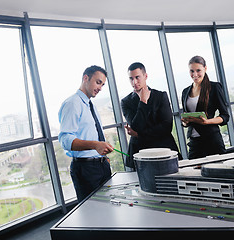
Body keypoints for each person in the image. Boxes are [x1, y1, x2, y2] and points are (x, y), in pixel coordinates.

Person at [58, 65, 113, 202]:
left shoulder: (90, 105)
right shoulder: (72, 104)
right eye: (98, 82)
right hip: (86, 169)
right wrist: (95, 145)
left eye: (102, 84)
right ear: (85, 78)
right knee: (93, 212)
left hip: (101, 165)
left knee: (109, 209)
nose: (100, 87)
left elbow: (93, 134)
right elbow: (65, 140)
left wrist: (103, 157)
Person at [121, 62, 182, 170]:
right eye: (131, 78)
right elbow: (136, 126)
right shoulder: (126, 102)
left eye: (137, 77)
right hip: (139, 153)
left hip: (163, 148)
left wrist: (139, 134)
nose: (134, 82)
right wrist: (143, 101)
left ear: (145, 76)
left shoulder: (160, 96)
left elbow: (166, 127)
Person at [181, 56, 230, 159]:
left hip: (212, 140)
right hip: (194, 142)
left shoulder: (215, 87)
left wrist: (207, 122)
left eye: (198, 70)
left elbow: (225, 116)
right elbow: (187, 118)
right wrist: (185, 122)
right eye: (191, 71)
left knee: (218, 172)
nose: (195, 74)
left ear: (205, 69)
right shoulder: (185, 92)